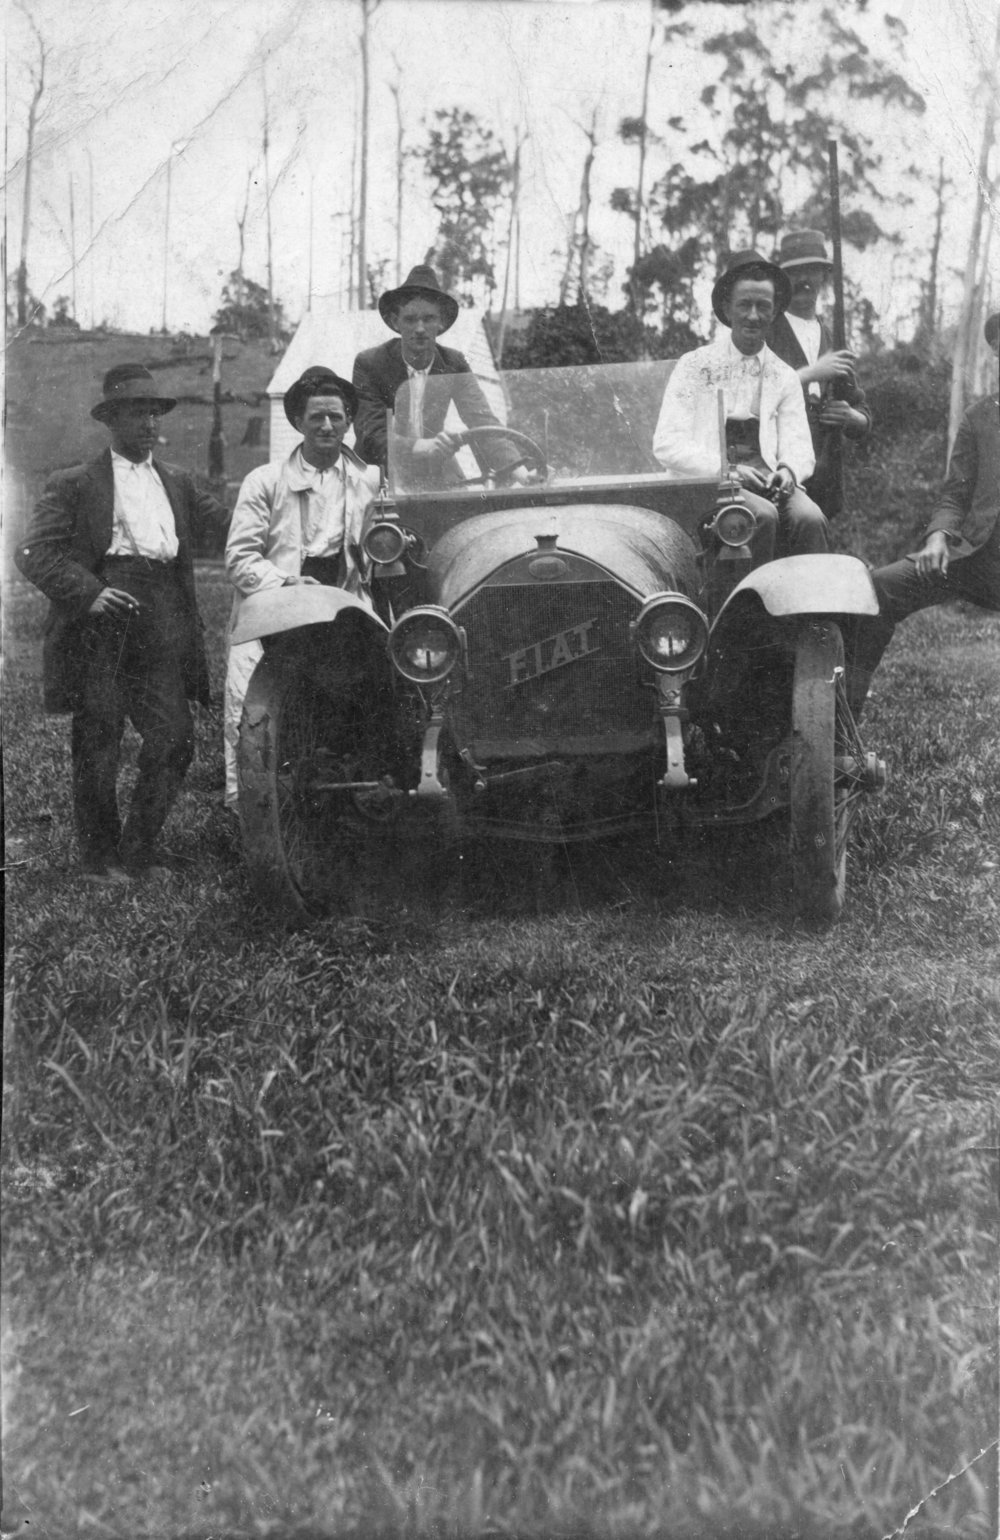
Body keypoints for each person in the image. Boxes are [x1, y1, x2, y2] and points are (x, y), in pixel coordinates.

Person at [15, 363, 227, 883]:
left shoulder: (176, 481)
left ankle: (138, 851)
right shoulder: (74, 483)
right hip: (99, 625)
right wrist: (90, 592)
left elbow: (230, 524)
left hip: (160, 625)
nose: (149, 424)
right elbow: (34, 552)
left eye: (154, 413)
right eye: (136, 414)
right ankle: (98, 860)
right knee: (99, 740)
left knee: (175, 738)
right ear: (111, 421)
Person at [223, 367, 380, 808]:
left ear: (349, 421)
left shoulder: (370, 481)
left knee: (366, 691)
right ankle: (254, 811)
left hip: (344, 603)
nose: (327, 426)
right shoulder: (265, 481)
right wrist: (286, 580)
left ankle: (351, 797)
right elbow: (239, 559)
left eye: (336, 416)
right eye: (316, 418)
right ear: (298, 423)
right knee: (250, 704)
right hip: (278, 607)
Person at [850, 312, 999, 707]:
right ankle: (839, 734)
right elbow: (955, 494)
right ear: (997, 351)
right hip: (980, 558)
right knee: (879, 589)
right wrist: (938, 537)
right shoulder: (979, 418)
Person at [653, 249, 829, 562]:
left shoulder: (783, 375)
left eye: (763, 306)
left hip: (767, 482)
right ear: (727, 307)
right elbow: (667, 445)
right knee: (760, 515)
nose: (753, 315)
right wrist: (729, 470)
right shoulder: (694, 366)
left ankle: (807, 610)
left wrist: (788, 471)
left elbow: (800, 447)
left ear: (774, 312)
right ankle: (748, 609)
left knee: (810, 518)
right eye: (744, 304)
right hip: (708, 484)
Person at [352, 263, 531, 486]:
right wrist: (420, 446)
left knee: (465, 505)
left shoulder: (453, 363)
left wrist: (520, 471)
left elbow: (482, 420)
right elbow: (372, 434)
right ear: (396, 322)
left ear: (441, 322)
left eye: (428, 319)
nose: (419, 328)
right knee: (371, 512)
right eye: (410, 319)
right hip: (378, 468)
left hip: (433, 465)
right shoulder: (370, 363)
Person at [767, 228, 871, 519]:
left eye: (811, 271)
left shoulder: (832, 337)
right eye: (794, 273)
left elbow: (862, 409)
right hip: (778, 472)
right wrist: (811, 373)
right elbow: (754, 393)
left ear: (824, 276)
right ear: (782, 282)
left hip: (826, 479)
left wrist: (851, 416)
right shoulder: (768, 332)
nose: (803, 281)